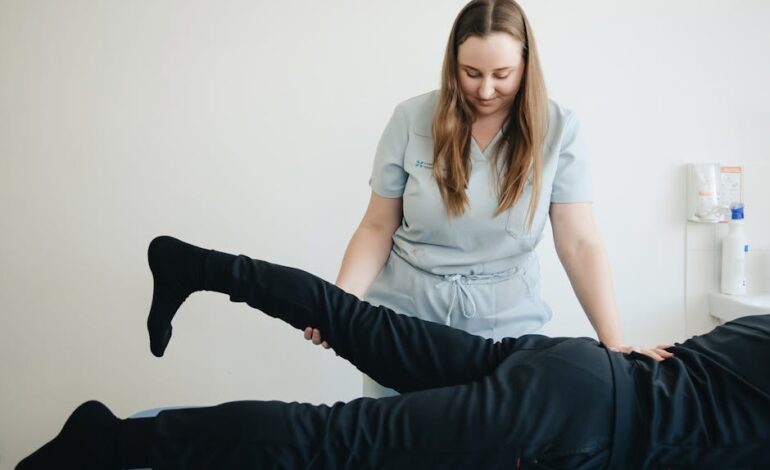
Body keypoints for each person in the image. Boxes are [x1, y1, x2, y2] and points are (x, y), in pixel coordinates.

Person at [17, 236, 770, 469]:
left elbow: (688, 353)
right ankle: (114, 441)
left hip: (576, 367)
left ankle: (198, 267)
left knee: (356, 324)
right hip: (576, 420)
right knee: (341, 443)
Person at [303, 0, 669, 399]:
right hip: (404, 325)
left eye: (502, 74)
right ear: (452, 63)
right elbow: (376, 226)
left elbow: (579, 241)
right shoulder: (411, 119)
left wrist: (613, 340)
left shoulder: (559, 128)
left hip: (503, 335)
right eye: (471, 73)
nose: (486, 89)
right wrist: (339, 303)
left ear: (526, 65)